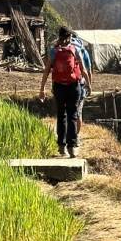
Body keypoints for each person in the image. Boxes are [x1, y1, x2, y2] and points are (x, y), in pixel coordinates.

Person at [39, 27, 90, 157]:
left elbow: (46, 71)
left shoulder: (53, 51)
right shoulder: (75, 49)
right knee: (73, 115)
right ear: (69, 37)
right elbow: (83, 69)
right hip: (74, 86)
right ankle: (72, 147)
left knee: (61, 116)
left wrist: (42, 89)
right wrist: (88, 85)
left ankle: (61, 147)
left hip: (59, 87)